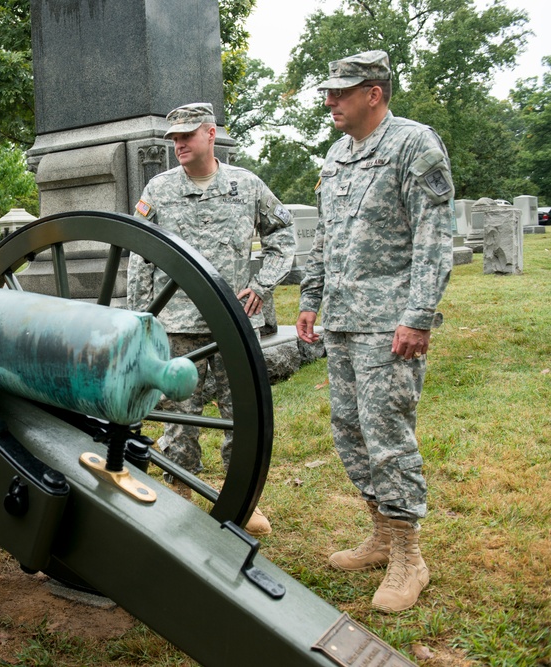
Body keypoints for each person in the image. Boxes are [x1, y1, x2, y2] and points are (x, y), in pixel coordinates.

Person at [296, 51, 454, 612]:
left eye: (342, 91)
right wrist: (311, 298)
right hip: (342, 318)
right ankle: (382, 533)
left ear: (375, 93)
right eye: (329, 91)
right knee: (349, 431)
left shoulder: (415, 144)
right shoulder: (337, 155)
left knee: (387, 434)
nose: (330, 100)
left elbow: (433, 238)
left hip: (389, 322)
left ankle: (410, 557)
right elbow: (324, 237)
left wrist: (418, 315)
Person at [128, 102, 296, 537]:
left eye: (187, 135)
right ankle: (178, 495)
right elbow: (138, 257)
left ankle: (241, 501)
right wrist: (140, 319)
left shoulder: (247, 185)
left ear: (210, 133)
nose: (179, 144)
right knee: (179, 418)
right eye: (174, 138)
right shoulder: (159, 189)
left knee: (242, 415)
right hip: (178, 326)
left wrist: (261, 287)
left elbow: (283, 236)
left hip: (233, 325)